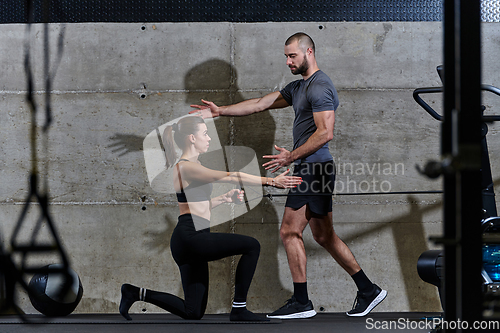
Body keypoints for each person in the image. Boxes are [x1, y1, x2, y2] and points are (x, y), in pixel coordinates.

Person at [190, 32, 387, 319]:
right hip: (313, 169)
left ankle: (302, 302)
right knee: (324, 236)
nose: (287, 61)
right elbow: (260, 103)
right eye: (286, 56)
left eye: (292, 55)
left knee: (289, 231)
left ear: (309, 52)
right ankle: (368, 290)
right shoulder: (299, 88)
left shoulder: (320, 87)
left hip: (313, 169)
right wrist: (221, 112)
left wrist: (291, 156)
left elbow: (326, 133)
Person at [119, 115, 302, 321]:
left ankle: (135, 293)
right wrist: (270, 181)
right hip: (190, 238)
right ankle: (239, 309)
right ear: (191, 138)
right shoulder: (186, 167)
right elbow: (230, 176)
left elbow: (195, 207)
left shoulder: (189, 167)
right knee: (252, 246)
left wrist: (224, 198)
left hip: (189, 239)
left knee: (193, 311)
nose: (209, 138)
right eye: (204, 134)